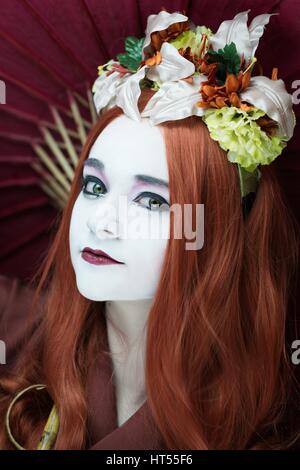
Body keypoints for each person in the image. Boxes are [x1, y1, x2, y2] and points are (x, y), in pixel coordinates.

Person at [0, 9, 300, 450]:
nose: (101, 222)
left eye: (152, 200)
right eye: (94, 185)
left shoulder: (273, 419)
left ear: (215, 229)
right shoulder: (23, 347)